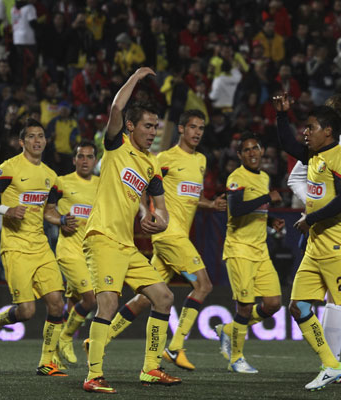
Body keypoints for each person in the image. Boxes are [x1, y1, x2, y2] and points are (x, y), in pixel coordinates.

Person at [101, 109, 226, 371]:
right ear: (181, 129)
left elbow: (188, 198)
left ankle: (101, 339)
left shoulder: (201, 161)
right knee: (203, 285)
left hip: (175, 238)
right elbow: (147, 187)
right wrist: (149, 213)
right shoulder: (165, 158)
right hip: (170, 235)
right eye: (192, 127)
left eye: (201, 129)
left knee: (148, 297)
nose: (197, 133)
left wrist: (209, 204)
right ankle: (175, 346)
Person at [82, 67, 180, 394]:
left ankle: (151, 368)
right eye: (148, 126)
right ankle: (93, 374)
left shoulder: (151, 166)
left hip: (127, 246)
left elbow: (162, 210)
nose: (153, 132)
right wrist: (136, 78)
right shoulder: (115, 146)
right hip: (102, 238)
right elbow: (114, 109)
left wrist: (157, 221)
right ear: (131, 127)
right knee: (108, 305)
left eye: (157, 127)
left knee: (164, 297)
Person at [273, 98, 341, 394]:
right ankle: (331, 364)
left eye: (311, 127)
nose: (305, 133)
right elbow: (286, 143)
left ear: (328, 131)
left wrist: (311, 218)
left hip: (340, 247)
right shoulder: (314, 156)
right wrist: (282, 115)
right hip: (316, 246)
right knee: (297, 306)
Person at [0, 118, 68, 377]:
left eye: (41, 136)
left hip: (40, 246)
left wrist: (62, 220)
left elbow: (49, 211)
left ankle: (46, 361)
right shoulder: (9, 168)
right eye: (31, 136)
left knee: (56, 304)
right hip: (15, 248)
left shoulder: (51, 176)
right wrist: (8, 210)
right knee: (27, 311)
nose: (37, 140)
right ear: (22, 142)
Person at [215, 133, 284, 374]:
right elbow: (236, 208)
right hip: (240, 250)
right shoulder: (236, 177)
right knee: (245, 307)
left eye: (255, 148)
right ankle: (236, 358)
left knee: (274, 303)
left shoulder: (264, 177)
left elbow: (255, 211)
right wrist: (267, 198)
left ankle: (228, 330)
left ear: (262, 150)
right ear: (240, 155)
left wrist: (271, 219)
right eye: (246, 150)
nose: (252, 153)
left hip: (260, 250)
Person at [43, 140, 99, 367]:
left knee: (72, 302)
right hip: (68, 251)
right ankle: (66, 337)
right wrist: (61, 220)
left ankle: (53, 351)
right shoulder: (62, 182)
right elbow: (48, 212)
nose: (85, 161)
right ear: (74, 159)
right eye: (81, 156)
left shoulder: (101, 184)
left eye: (89, 157)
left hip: (90, 253)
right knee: (91, 298)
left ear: (95, 160)